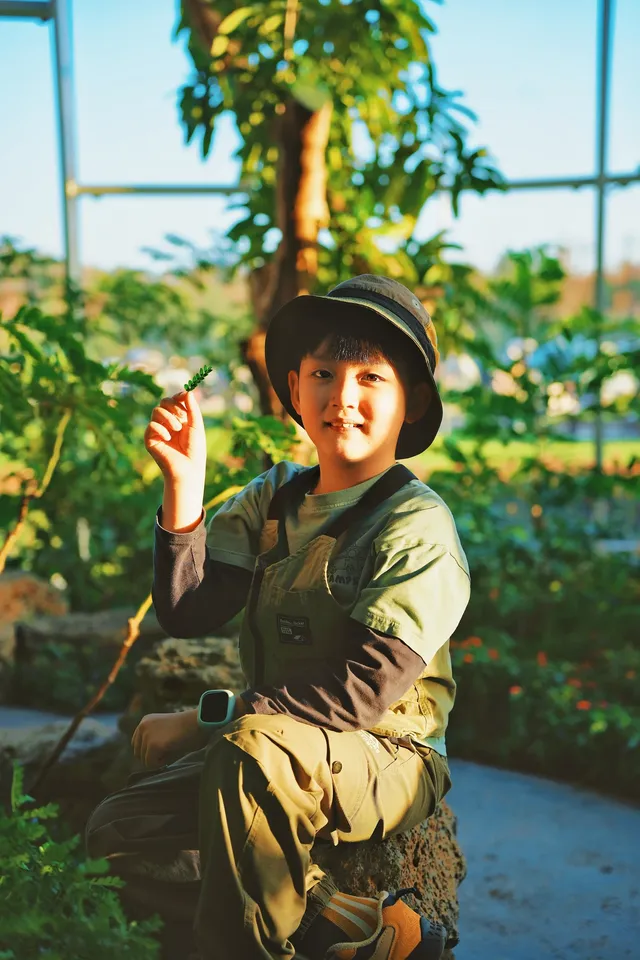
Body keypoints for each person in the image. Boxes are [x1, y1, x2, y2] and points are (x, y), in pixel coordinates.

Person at [85, 274, 471, 960]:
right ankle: (353, 923)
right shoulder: (272, 499)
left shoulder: (417, 526)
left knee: (247, 753)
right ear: (294, 389)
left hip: (388, 753)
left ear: (410, 404)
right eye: (323, 373)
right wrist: (183, 488)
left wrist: (205, 719)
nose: (343, 398)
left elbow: (359, 691)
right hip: (276, 748)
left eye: (371, 379)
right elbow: (187, 608)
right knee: (118, 830)